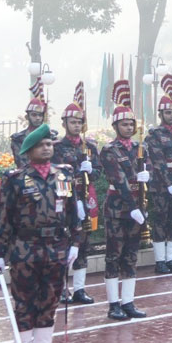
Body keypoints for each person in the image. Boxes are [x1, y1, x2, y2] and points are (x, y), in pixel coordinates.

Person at [0, 122, 79, 343]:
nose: (47, 148)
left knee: (50, 301)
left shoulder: (65, 174)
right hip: (25, 249)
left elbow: (72, 212)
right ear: (28, 151)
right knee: (25, 304)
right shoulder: (15, 179)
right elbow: (3, 217)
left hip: (56, 248)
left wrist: (76, 243)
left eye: (49, 144)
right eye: (41, 145)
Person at [99, 79, 150, 320]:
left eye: (131, 124)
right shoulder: (110, 150)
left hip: (137, 208)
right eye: (124, 124)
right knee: (114, 256)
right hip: (119, 209)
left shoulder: (140, 148)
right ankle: (113, 304)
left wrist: (146, 177)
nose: (128, 127)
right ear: (115, 126)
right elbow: (118, 181)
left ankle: (128, 301)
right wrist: (133, 207)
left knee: (131, 255)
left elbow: (145, 175)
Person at [53, 82, 99, 304]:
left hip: (86, 199)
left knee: (83, 244)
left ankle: (79, 288)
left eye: (80, 121)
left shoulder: (89, 147)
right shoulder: (56, 148)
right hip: (66, 201)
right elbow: (56, 177)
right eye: (72, 121)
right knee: (63, 243)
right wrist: (71, 200)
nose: (77, 125)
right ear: (64, 123)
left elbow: (99, 173)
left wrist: (92, 171)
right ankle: (62, 289)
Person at [145, 73, 172, 275]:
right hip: (161, 185)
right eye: (167, 112)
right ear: (160, 114)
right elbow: (157, 161)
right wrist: (169, 184)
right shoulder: (154, 134)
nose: (171, 115)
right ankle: (160, 261)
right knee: (160, 221)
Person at [11, 82, 49, 168]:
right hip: (28, 177)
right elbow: (21, 162)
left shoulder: (51, 136)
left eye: (40, 115)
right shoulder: (18, 139)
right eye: (34, 115)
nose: (38, 118)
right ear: (27, 117)